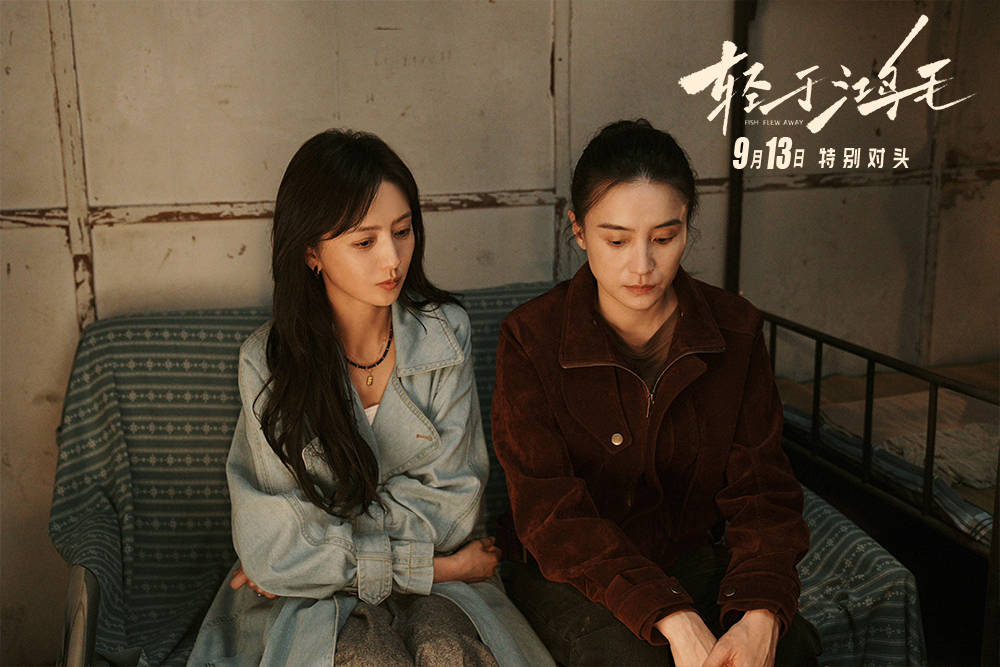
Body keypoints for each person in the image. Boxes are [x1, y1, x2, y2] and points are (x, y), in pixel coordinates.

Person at [189, 129, 552, 666]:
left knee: (450, 651)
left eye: (402, 232)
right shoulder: (267, 363)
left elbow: (451, 509)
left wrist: (318, 555)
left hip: (435, 590)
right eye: (365, 242)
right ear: (311, 252)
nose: (393, 260)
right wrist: (434, 566)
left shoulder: (443, 335)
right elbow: (277, 543)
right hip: (318, 603)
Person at [491, 119, 821, 667]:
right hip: (573, 572)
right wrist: (670, 614)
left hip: (688, 557)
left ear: (687, 226)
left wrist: (761, 612)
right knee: (641, 659)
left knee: (788, 648)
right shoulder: (532, 338)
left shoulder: (735, 330)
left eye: (664, 238)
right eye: (616, 240)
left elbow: (763, 491)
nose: (642, 266)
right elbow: (550, 515)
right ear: (578, 230)